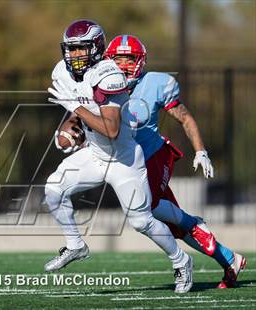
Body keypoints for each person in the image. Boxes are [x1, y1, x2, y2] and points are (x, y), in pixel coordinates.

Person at [45, 19, 193, 293]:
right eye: (71, 49)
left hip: (124, 159)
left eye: (82, 49)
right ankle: (76, 245)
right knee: (53, 189)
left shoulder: (109, 74)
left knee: (141, 221)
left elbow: (111, 129)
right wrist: (67, 129)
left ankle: (181, 260)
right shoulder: (62, 72)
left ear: (98, 47)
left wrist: (75, 106)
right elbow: (77, 111)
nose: (75, 55)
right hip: (95, 154)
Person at [103, 34, 246, 289]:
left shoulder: (156, 83)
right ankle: (230, 260)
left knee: (149, 207)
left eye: (129, 59)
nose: (123, 65)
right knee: (175, 228)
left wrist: (201, 151)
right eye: (118, 59)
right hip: (128, 164)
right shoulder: (100, 85)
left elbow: (186, 119)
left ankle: (192, 222)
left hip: (154, 156)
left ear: (141, 61)